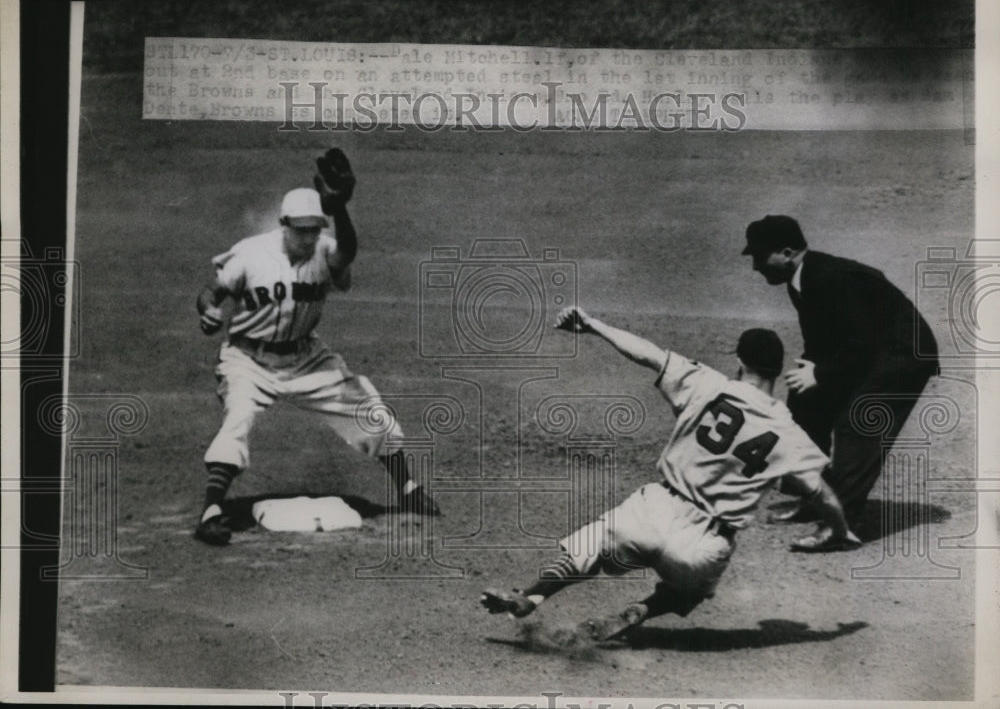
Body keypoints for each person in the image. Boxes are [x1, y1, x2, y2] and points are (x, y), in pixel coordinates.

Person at [480, 306, 859, 641]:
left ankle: (532, 595)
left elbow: (649, 355)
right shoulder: (787, 430)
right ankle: (639, 612)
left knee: (592, 545)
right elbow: (819, 492)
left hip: (654, 510)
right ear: (776, 372)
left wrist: (594, 325)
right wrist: (839, 531)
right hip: (703, 544)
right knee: (692, 591)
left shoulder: (708, 384)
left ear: (740, 362)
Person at [193, 149, 439, 546]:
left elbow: (347, 253)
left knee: (368, 409)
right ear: (284, 224)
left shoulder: (325, 249)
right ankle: (211, 510)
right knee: (237, 417)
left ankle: (408, 489)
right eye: (301, 229)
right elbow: (211, 292)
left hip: (306, 358)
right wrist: (208, 311)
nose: (309, 237)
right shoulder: (252, 253)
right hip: (249, 358)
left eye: (315, 228)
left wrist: (341, 209)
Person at [742, 215, 939, 531]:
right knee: (806, 402)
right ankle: (815, 498)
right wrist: (813, 372)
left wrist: (821, 374)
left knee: (858, 423)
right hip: (872, 350)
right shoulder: (800, 280)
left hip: (903, 354)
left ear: (788, 252)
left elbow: (863, 341)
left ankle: (840, 525)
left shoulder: (832, 278)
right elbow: (823, 340)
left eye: (760, 256)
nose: (755, 266)